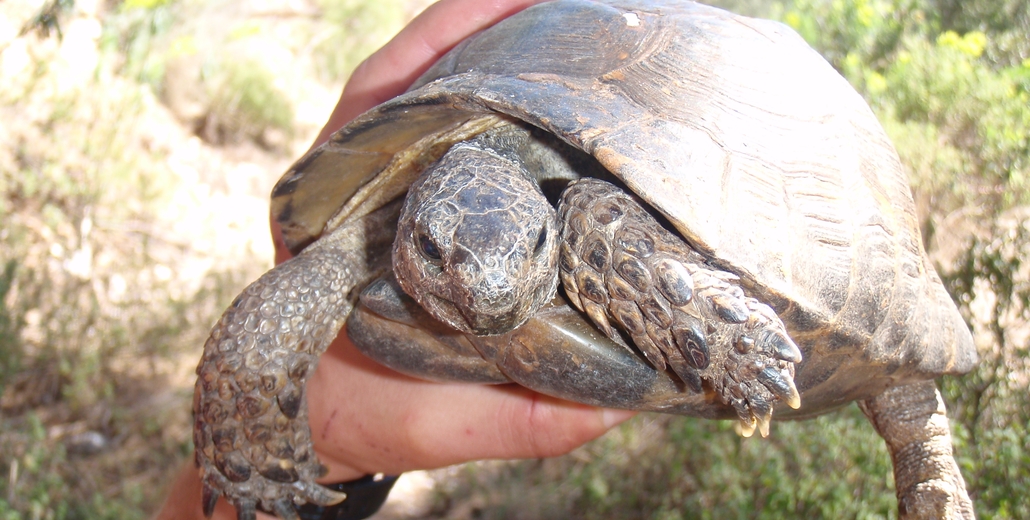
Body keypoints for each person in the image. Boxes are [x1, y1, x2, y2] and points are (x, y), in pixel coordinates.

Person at [154, 1, 636, 518]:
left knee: (603, 224)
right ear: (409, 226)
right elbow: (255, 347)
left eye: (539, 244)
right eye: (431, 252)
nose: (492, 294)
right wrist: (291, 446)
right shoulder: (362, 238)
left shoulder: (599, 220)